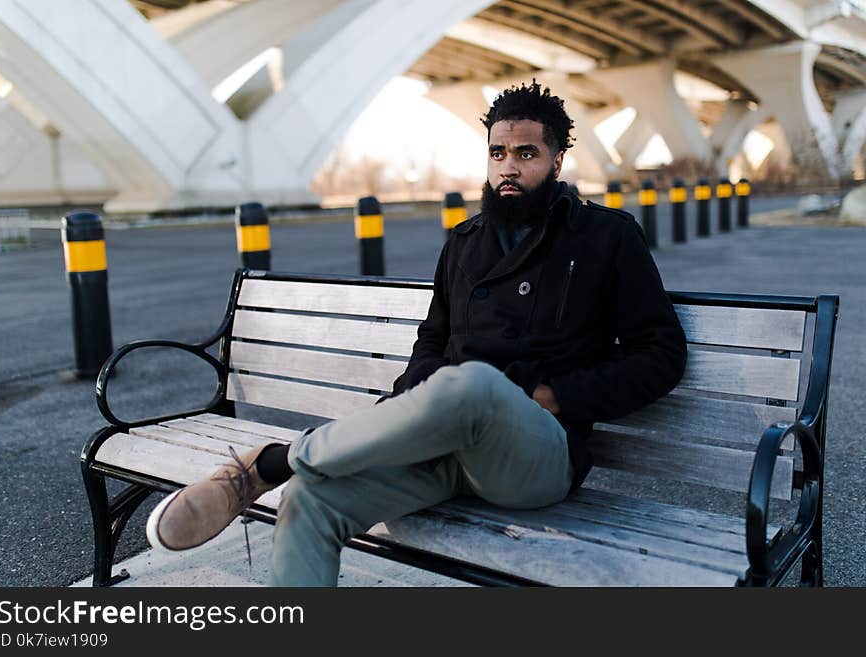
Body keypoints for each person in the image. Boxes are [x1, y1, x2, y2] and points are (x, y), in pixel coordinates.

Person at [146, 80, 687, 586]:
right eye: (498, 153)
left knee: (472, 385)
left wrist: (556, 395)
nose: (509, 168)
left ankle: (270, 463)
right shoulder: (465, 240)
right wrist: (416, 402)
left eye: (526, 154)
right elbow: (432, 340)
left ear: (557, 160)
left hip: (538, 453)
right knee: (311, 498)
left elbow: (660, 353)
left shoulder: (603, 237)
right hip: (444, 444)